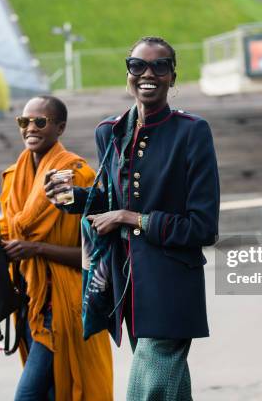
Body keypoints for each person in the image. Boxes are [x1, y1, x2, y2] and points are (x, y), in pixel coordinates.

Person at [45, 36, 220, 401]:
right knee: (168, 388)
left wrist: (130, 217)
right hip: (125, 285)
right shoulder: (109, 131)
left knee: (150, 386)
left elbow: (203, 226)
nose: (148, 73)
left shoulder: (191, 132)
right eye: (137, 65)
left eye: (160, 66)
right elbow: (107, 202)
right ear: (128, 73)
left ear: (173, 76)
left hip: (171, 284)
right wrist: (72, 199)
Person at [0, 95, 113, 401]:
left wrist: (37, 249)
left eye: (40, 122)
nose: (30, 127)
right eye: (24, 121)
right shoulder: (14, 176)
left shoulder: (76, 176)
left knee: (30, 394)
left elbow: (95, 256)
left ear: (60, 128)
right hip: (28, 300)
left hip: (65, 306)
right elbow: (8, 240)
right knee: (49, 393)